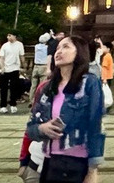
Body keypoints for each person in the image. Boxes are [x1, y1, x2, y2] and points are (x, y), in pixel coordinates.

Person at [27, 35, 105, 183]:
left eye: (66, 47)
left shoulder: (89, 83)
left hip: (76, 163)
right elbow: (31, 128)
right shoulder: (48, 87)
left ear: (79, 53)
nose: (59, 51)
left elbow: (95, 126)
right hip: (50, 162)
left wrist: (92, 170)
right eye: (57, 48)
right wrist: (42, 129)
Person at [0, 32, 25, 114]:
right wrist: (2, 67)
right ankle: (3, 106)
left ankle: (13, 104)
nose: (8, 37)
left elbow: (22, 56)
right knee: (3, 89)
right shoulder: (5, 46)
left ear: (14, 36)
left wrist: (23, 66)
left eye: (10, 35)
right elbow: (1, 58)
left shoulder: (19, 45)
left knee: (14, 88)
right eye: (7, 35)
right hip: (5, 69)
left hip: (15, 68)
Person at [32, 33, 51, 97]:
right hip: (43, 66)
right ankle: (39, 97)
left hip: (36, 66)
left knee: (33, 85)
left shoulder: (36, 46)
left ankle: (31, 99)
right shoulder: (47, 47)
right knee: (42, 85)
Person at [97, 39, 114, 111]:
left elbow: (104, 68)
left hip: (106, 77)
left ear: (108, 49)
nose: (102, 49)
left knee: (105, 92)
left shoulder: (106, 57)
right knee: (107, 92)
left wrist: (104, 78)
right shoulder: (108, 55)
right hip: (108, 76)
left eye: (104, 47)